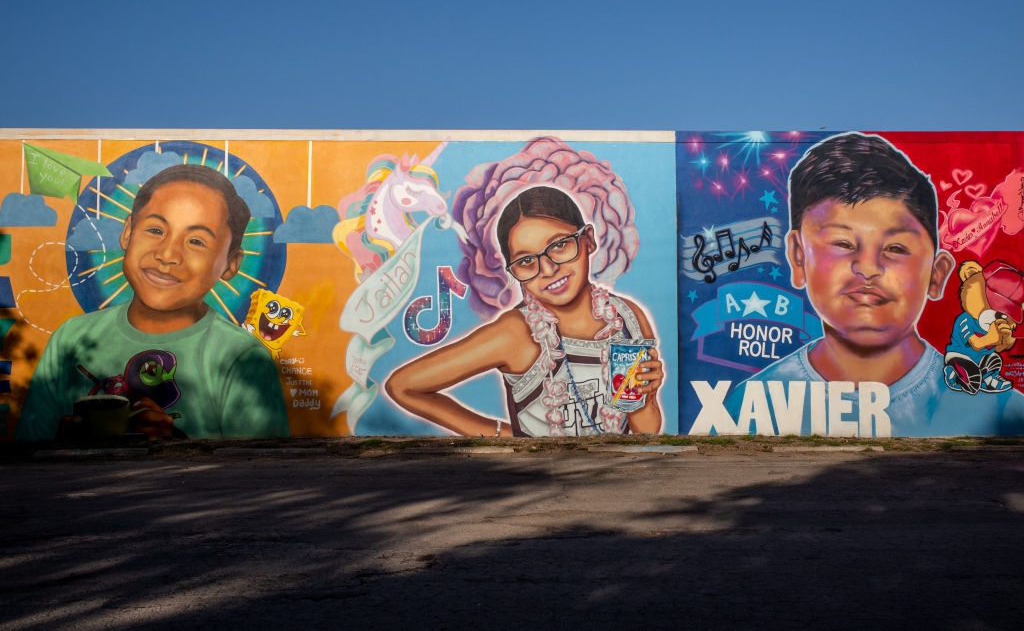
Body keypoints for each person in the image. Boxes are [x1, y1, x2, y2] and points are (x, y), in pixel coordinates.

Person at [714, 133, 1024, 437]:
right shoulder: (749, 404)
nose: (868, 268)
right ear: (798, 257)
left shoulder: (1005, 411)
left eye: (896, 248)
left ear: (936, 274)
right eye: (842, 242)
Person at [15, 164, 290, 440]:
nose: (167, 254)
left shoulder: (240, 357)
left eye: (195, 241)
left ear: (230, 264)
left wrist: (175, 447)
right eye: (156, 230)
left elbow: (259, 472)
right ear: (127, 233)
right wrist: (59, 450)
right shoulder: (70, 340)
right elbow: (26, 460)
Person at [386, 186, 664, 437]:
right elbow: (403, 386)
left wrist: (647, 397)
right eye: (527, 260)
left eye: (558, 245)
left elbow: (646, 433)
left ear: (587, 240)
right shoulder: (515, 333)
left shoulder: (627, 317)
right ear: (514, 272)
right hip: (542, 484)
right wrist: (500, 435)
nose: (548, 269)